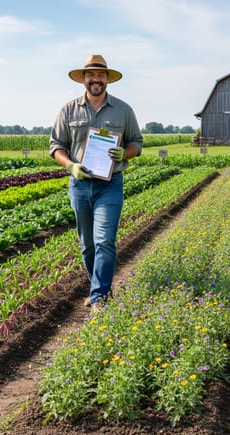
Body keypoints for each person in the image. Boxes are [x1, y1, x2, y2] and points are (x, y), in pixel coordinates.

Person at [49, 54, 143, 310]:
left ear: (107, 80)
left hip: (110, 184)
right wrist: (71, 165)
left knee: (104, 240)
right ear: (84, 79)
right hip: (79, 185)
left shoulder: (123, 110)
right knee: (87, 244)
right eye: (91, 75)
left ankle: (100, 296)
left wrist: (127, 152)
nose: (96, 79)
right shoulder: (68, 110)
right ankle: (97, 286)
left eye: (100, 75)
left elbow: (137, 142)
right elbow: (56, 146)